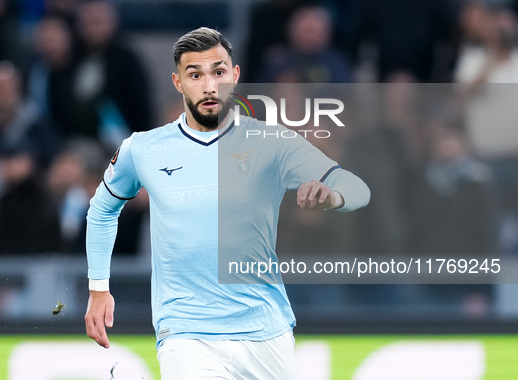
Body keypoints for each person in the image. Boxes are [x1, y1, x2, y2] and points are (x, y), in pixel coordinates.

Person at [84, 27, 370, 379]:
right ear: (178, 82)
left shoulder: (272, 142)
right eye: (195, 75)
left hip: (266, 331)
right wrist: (98, 288)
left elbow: (358, 189)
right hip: (187, 333)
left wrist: (333, 196)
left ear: (234, 76)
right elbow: (101, 210)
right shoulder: (142, 149)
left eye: (218, 72)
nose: (208, 85)